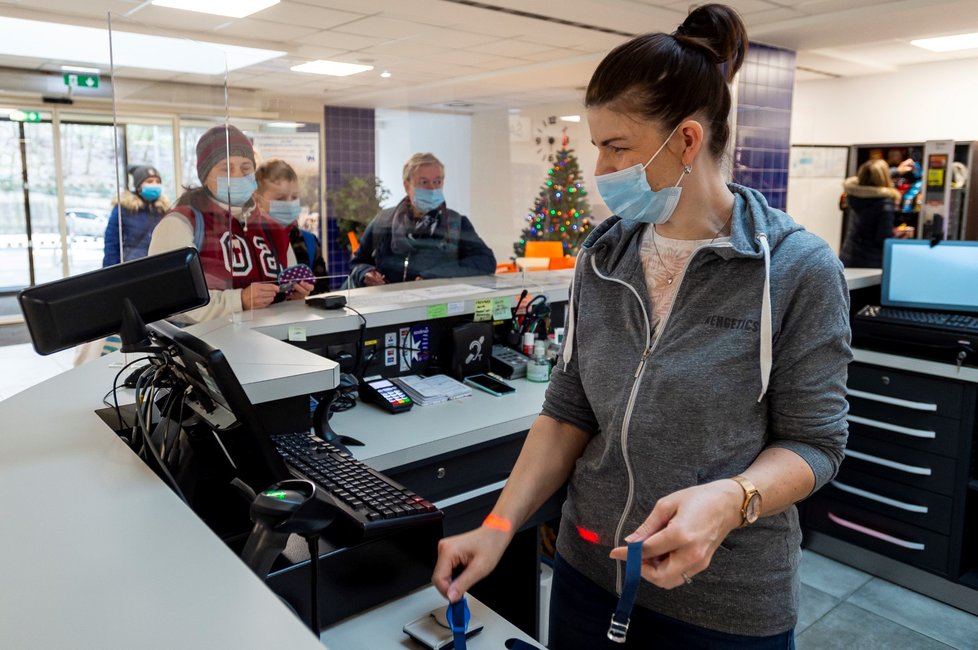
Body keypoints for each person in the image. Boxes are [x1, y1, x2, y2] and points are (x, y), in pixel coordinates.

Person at [433, 4, 851, 649]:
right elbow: (569, 407)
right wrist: (498, 524)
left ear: (686, 140)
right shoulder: (604, 255)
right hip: (586, 575)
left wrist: (734, 498)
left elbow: (816, 445)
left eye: (618, 147)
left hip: (721, 603)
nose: (601, 169)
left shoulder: (796, 268)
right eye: (597, 145)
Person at [147, 125, 312, 323]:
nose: (237, 175)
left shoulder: (273, 228)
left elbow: (285, 292)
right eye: (226, 168)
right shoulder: (182, 223)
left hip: (269, 345)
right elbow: (168, 298)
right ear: (205, 176)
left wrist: (294, 296)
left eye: (245, 168)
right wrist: (239, 301)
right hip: (208, 349)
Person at [348, 152, 495, 287]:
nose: (432, 188)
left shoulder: (456, 223)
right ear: (407, 186)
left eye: (437, 182)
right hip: (389, 308)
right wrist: (365, 274)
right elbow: (358, 262)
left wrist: (436, 275)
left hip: (438, 309)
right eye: (424, 182)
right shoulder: (384, 221)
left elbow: (485, 261)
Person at [254, 158, 329, 295]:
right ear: (258, 200)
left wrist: (304, 298)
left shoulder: (309, 242)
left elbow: (322, 292)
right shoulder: (248, 242)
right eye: (280, 199)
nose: (289, 204)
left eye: (294, 197)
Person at [839, 158, 903, 267]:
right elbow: (883, 239)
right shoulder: (885, 203)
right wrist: (898, 235)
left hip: (848, 258)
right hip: (872, 264)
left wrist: (897, 171)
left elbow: (871, 176)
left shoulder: (852, 195)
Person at [102, 165, 170, 267]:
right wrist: (111, 272)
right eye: (150, 181)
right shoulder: (124, 209)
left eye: (158, 181)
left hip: (159, 266)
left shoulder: (163, 210)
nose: (155, 185)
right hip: (132, 268)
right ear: (138, 186)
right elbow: (112, 244)